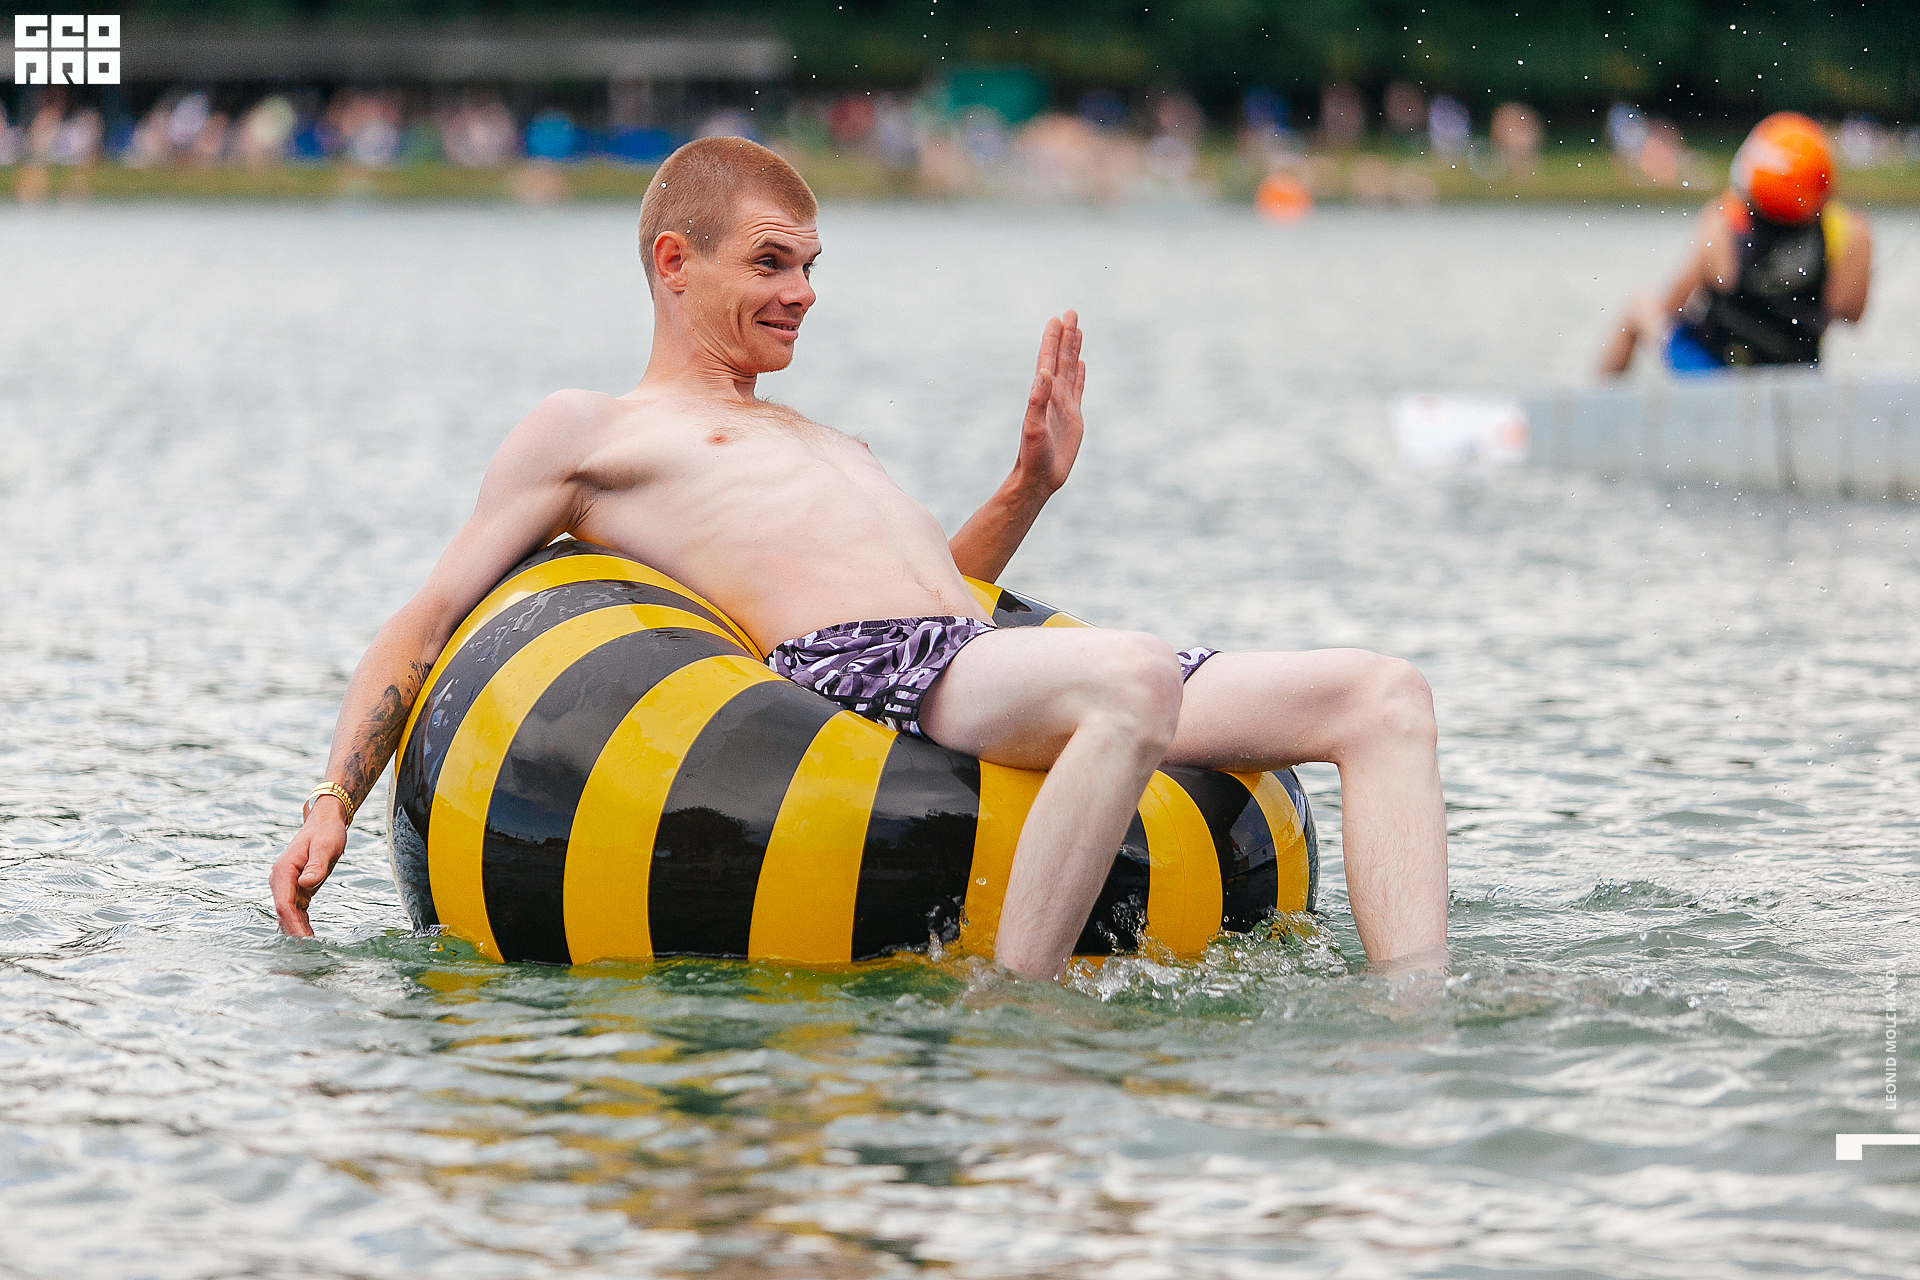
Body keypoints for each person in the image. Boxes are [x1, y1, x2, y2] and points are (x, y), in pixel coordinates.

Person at [270, 137, 1449, 981]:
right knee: (1130, 675)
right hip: (857, 672)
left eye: (812, 266)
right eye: (771, 263)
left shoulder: (826, 438)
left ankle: (1418, 1028)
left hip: (962, 656)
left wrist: (1029, 486)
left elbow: (949, 593)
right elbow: (428, 614)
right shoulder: (596, 429)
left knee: (1384, 696)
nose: (802, 294)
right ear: (676, 262)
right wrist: (333, 800)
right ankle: (1017, 1015)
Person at [1599, 112, 1873, 376]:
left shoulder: (1721, 223)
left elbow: (1673, 305)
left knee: (1638, 305)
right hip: (1796, 368)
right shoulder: (1852, 234)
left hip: (1713, 371)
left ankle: (1596, 401)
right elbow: (1850, 313)